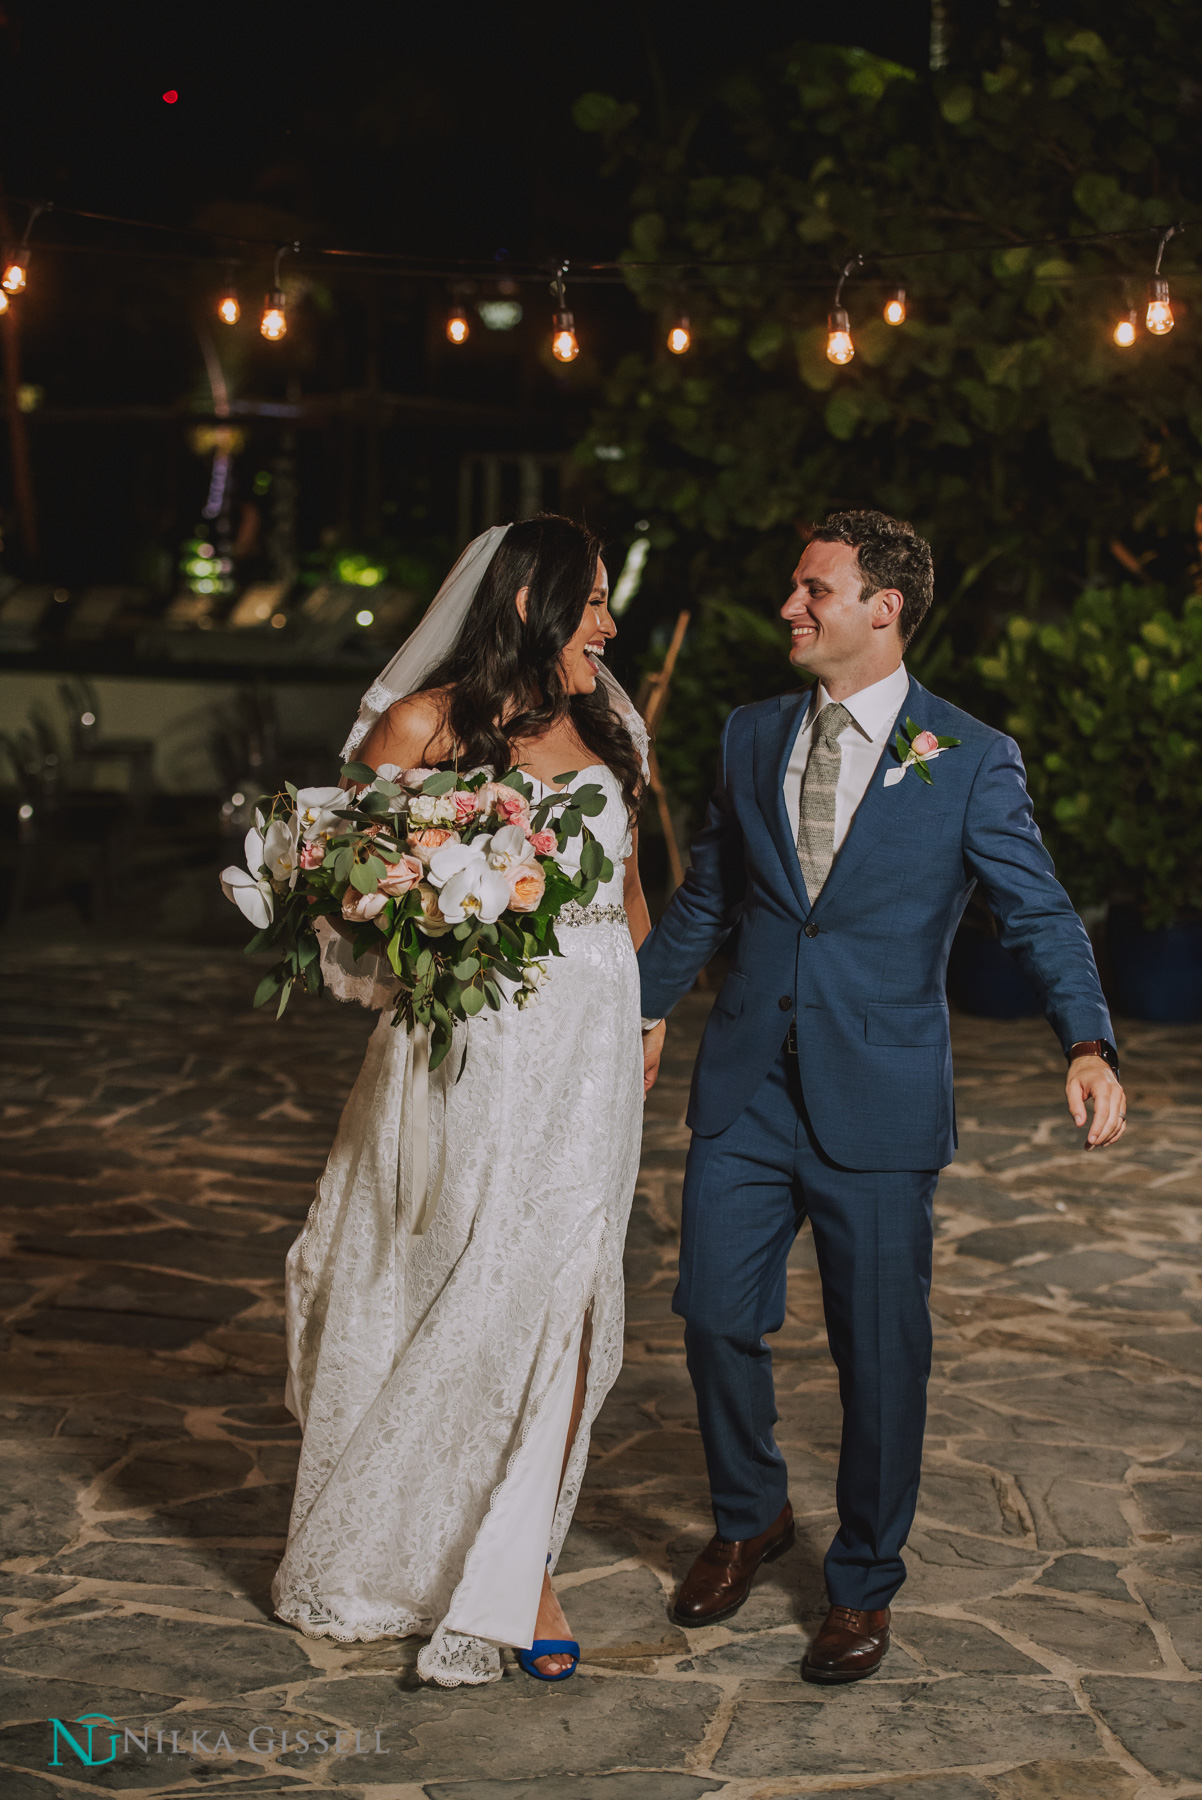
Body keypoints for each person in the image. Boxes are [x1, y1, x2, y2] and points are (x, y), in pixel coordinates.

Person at [638, 509, 1126, 1684]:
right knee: (709, 1314)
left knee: (878, 1354)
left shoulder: (966, 756)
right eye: (793, 589)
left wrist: (1087, 1042)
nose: (790, 608)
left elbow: (1037, 911)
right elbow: (708, 897)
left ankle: (861, 1585)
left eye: (814, 590)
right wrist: (632, 1007)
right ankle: (751, 1515)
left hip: (878, 1096)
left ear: (881, 607)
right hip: (748, 1084)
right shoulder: (750, 734)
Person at [272, 515, 651, 1686]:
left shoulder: (610, 716)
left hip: (593, 1037)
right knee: (466, 1280)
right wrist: (431, 913)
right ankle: (456, 1557)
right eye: (592, 599)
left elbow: (630, 883)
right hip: (475, 1041)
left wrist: (646, 1014)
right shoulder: (420, 724)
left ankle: (517, 1554)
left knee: (569, 1286)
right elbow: (346, 898)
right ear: (533, 607)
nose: (608, 621)